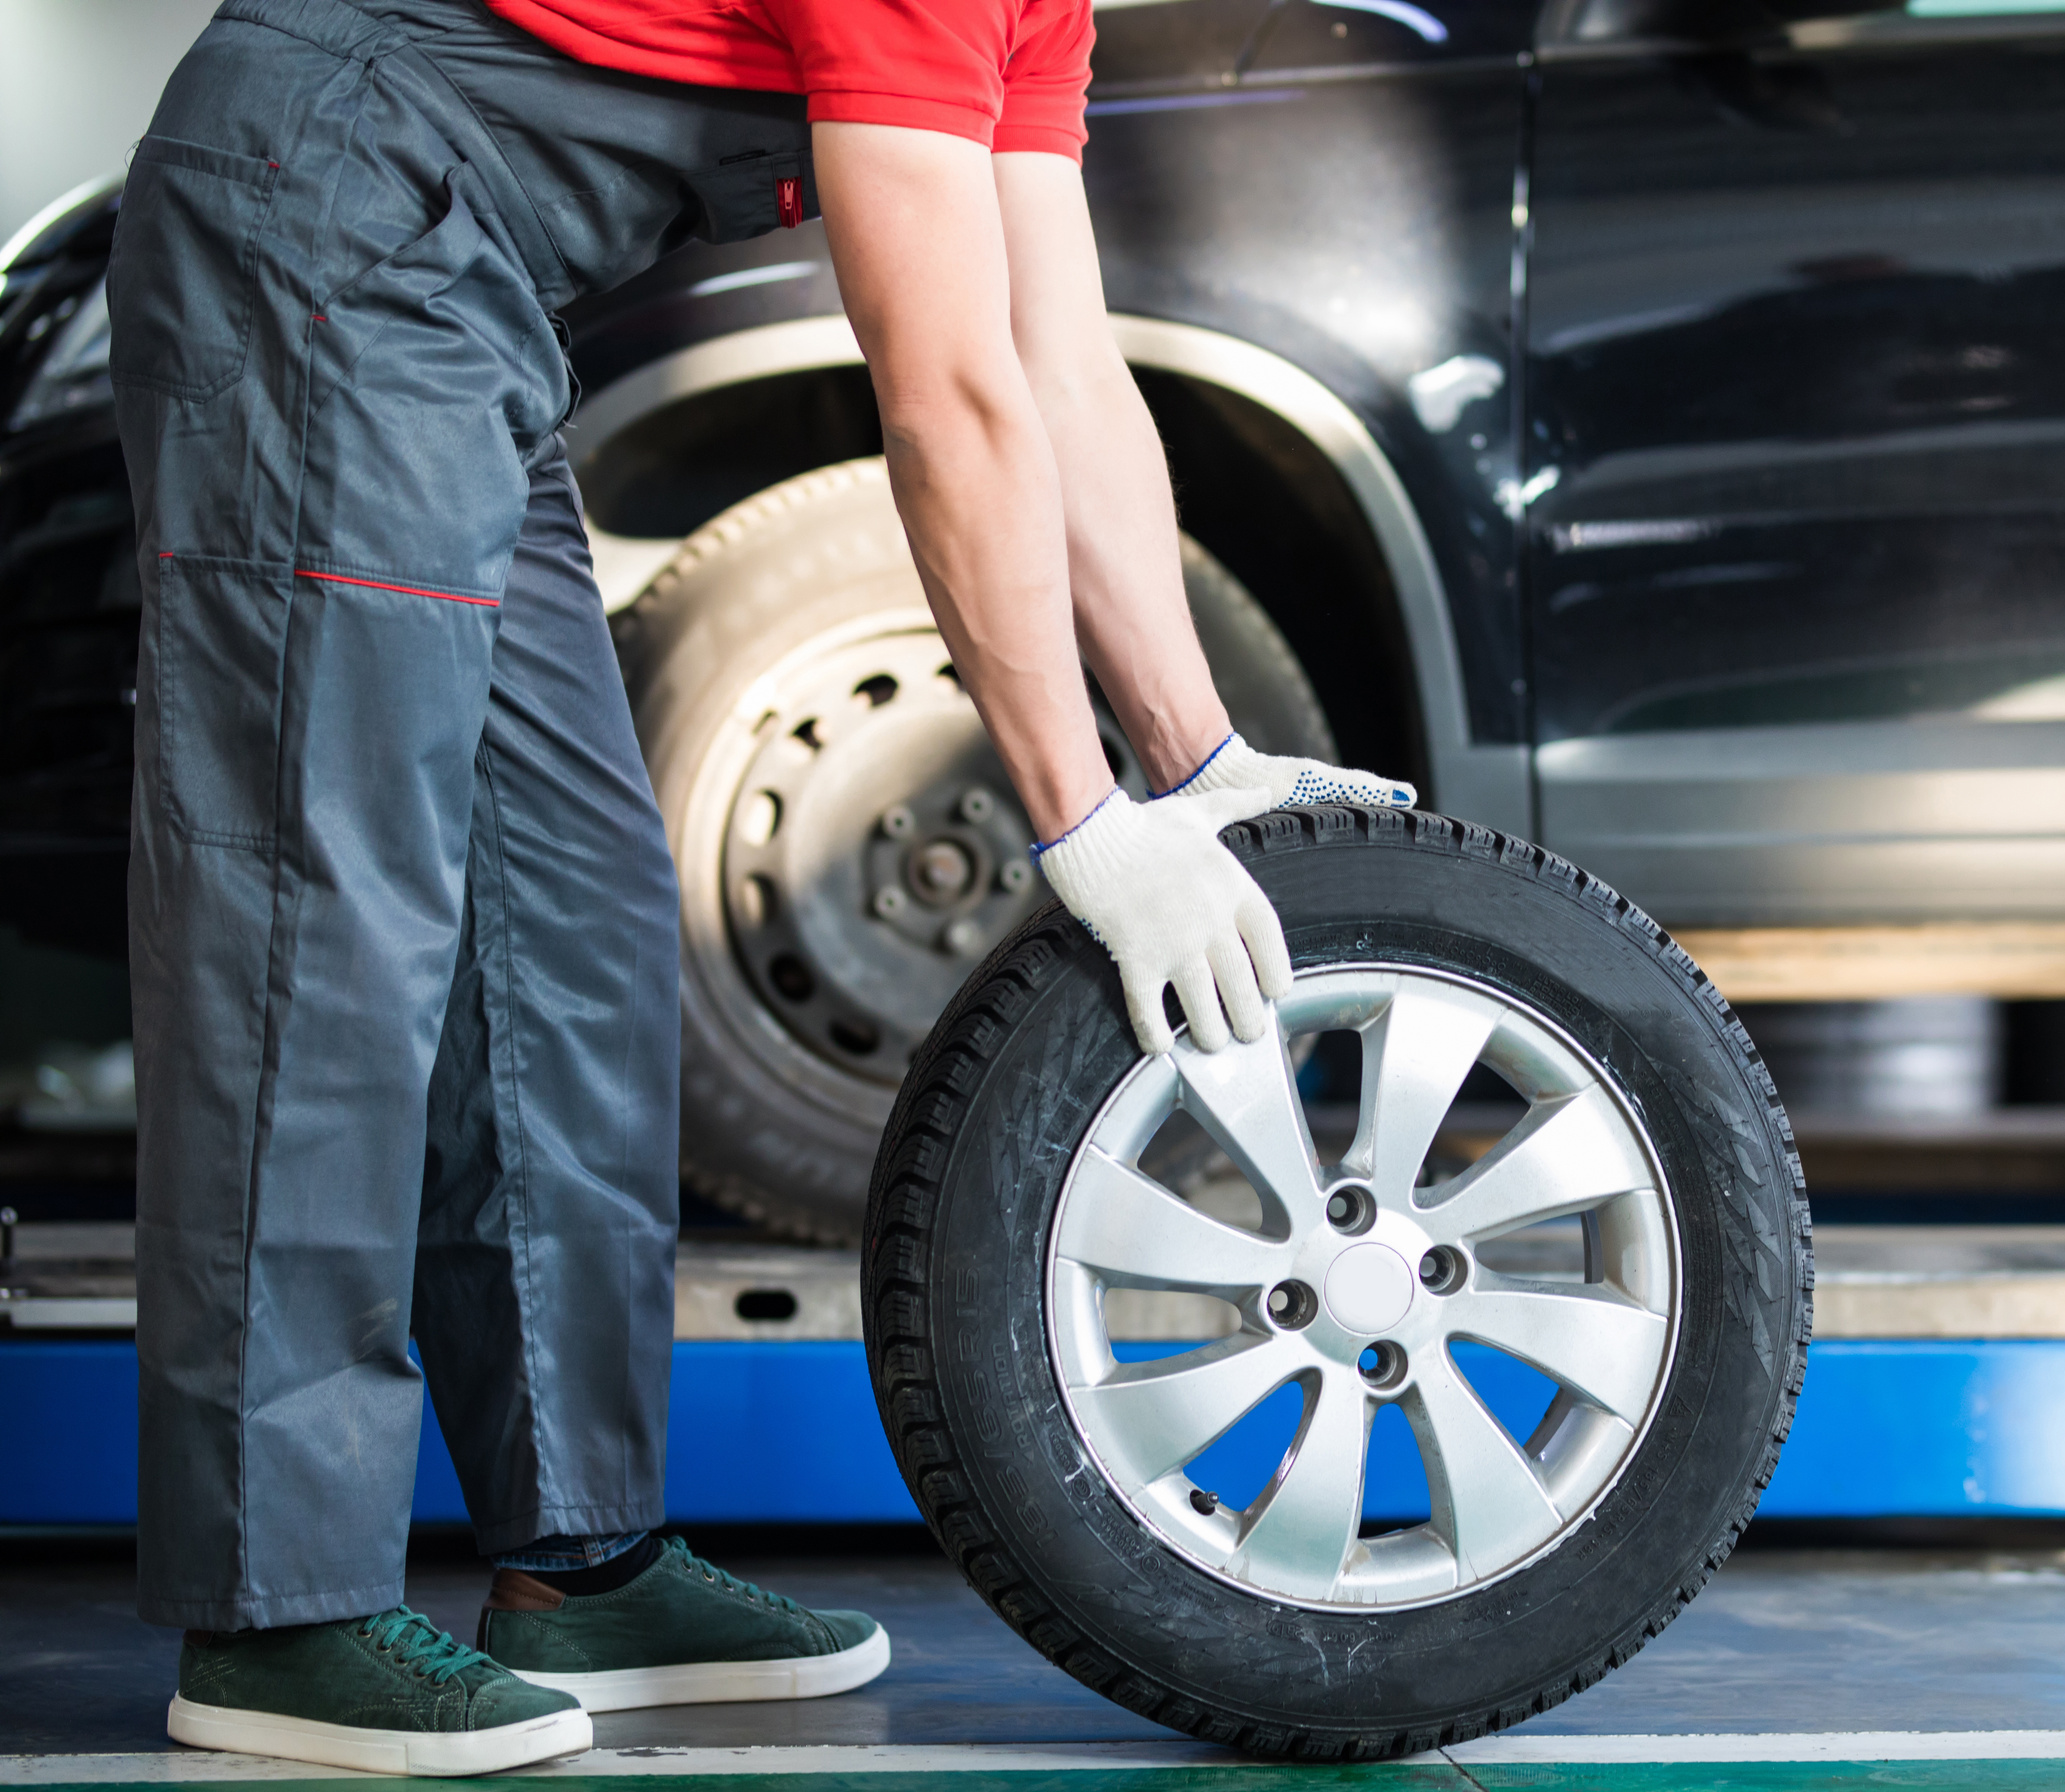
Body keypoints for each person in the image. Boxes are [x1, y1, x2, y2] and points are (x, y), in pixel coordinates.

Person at [107, 0, 1414, 1773]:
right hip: (327, 229)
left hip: (452, 282)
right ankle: (276, 1611)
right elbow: (940, 386)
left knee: (568, 921)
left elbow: (1054, 360)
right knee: (321, 921)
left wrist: (1199, 762)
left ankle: (583, 1561)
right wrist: (1077, 817)